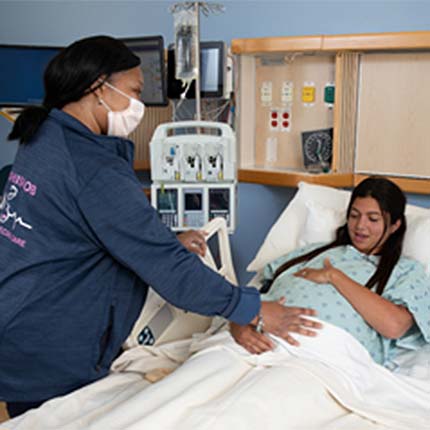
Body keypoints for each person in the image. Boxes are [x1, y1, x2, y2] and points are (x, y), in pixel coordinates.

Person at [0, 35, 321, 419]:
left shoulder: (46, 137)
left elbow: (81, 224)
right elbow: (168, 269)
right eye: (134, 92)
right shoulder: (95, 169)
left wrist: (162, 239)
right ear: (98, 87)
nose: (139, 105)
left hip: (21, 321)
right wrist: (251, 309)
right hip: (52, 343)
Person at [231, 177, 430, 364]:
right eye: (354, 216)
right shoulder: (311, 252)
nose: (360, 226)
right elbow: (258, 291)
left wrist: (334, 276)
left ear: (395, 225)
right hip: (257, 338)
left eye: (373, 219)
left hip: (323, 354)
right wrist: (239, 326)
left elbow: (394, 326)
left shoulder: (406, 271)